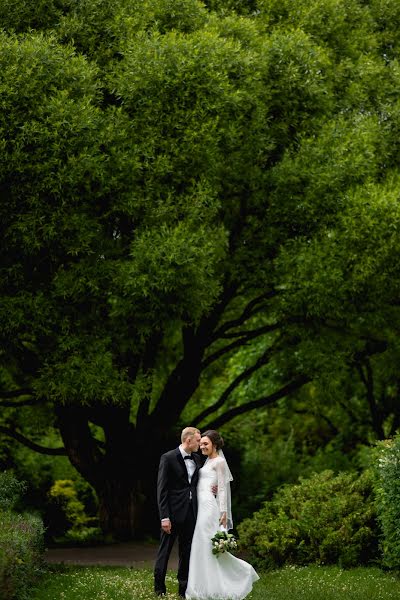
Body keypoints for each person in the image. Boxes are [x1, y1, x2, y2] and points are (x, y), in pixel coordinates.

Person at [186, 429, 259, 600]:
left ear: (215, 445)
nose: (202, 446)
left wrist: (223, 512)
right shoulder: (206, 462)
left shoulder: (219, 462)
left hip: (210, 508)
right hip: (201, 506)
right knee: (201, 544)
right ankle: (201, 586)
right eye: (201, 443)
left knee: (206, 544)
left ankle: (241, 573)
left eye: (206, 443)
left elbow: (223, 490)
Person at [154, 426, 203, 598]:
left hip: (191, 513)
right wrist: (164, 517)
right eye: (198, 440)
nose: (200, 443)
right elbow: (162, 489)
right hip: (172, 514)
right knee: (164, 551)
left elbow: (197, 484)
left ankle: (183, 590)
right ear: (188, 440)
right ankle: (159, 589)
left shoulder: (197, 458)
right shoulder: (167, 458)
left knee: (187, 552)